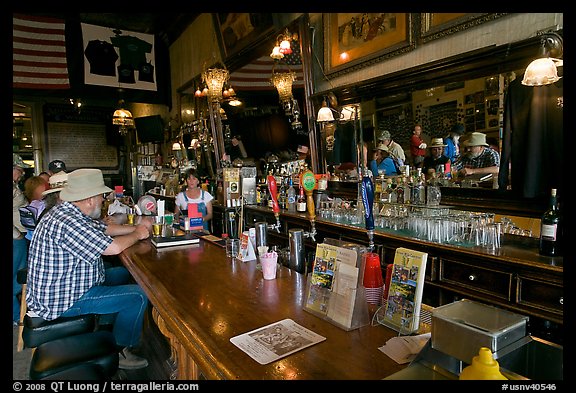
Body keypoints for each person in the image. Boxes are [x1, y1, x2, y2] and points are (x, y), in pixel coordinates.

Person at [26, 168, 152, 369]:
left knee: (122, 273)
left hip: (69, 286)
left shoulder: (68, 212)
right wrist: (138, 235)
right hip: (63, 300)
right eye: (101, 196)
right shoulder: (67, 221)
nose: (103, 200)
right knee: (138, 295)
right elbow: (113, 248)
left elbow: (104, 229)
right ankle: (122, 351)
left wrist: (137, 228)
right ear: (90, 199)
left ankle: (108, 327)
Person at [13, 153, 30, 326]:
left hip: (18, 237)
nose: (21, 174)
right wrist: (16, 234)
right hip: (15, 239)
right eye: (19, 170)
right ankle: (17, 315)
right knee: (15, 278)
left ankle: (18, 314)